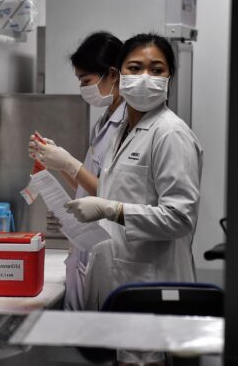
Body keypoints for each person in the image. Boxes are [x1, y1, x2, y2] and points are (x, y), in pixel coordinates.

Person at [65, 33, 202, 365]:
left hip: (152, 286)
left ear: (169, 77)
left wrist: (112, 209)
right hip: (125, 285)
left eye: (157, 70)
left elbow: (180, 217)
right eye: (136, 67)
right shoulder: (124, 131)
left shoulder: (170, 134)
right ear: (120, 74)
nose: (145, 77)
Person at [28, 31, 124, 311]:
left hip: (110, 251)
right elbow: (87, 188)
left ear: (113, 74)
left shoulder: (127, 127)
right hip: (88, 248)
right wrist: (56, 164)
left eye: (86, 81)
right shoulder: (105, 122)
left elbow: (111, 194)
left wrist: (69, 162)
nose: (83, 89)